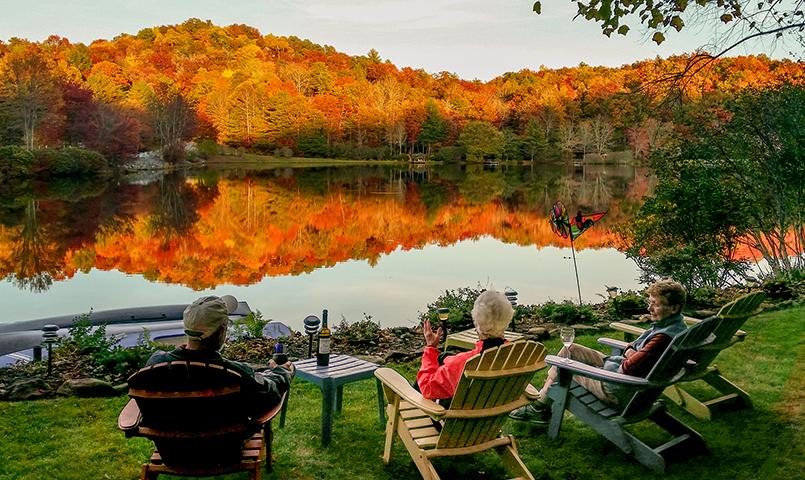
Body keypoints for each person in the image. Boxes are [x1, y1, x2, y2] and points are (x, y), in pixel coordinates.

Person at [509, 279, 688, 424]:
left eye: (655, 304)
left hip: (618, 389)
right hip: (635, 385)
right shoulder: (677, 328)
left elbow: (629, 367)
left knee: (562, 366)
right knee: (570, 350)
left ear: (674, 308)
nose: (649, 309)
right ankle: (541, 405)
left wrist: (629, 350)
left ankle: (539, 408)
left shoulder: (662, 338)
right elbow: (633, 353)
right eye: (650, 303)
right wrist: (630, 350)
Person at [146, 295, 294, 417]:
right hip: (225, 448)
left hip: (172, 449)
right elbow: (270, 394)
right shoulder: (234, 373)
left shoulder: (156, 364)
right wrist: (282, 371)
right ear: (222, 331)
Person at [416, 290, 513, 406]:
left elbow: (426, 387)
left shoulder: (465, 363)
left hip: (452, 418)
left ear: (477, 323)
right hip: (493, 413)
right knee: (443, 357)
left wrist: (431, 348)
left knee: (417, 384)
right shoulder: (515, 354)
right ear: (507, 320)